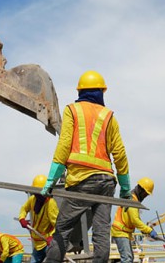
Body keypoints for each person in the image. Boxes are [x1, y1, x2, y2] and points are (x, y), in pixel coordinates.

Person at [40, 70, 132, 263]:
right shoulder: (109, 116)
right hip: (106, 182)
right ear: (101, 92)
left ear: (80, 92)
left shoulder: (72, 110)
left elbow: (64, 146)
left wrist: (51, 180)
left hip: (81, 181)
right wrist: (125, 187)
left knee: (63, 229)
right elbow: (120, 153)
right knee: (101, 232)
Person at [111, 177, 157, 263]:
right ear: (141, 190)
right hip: (120, 232)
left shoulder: (132, 198)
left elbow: (134, 218)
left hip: (124, 232)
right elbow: (135, 220)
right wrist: (149, 230)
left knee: (129, 259)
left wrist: (144, 231)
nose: (145, 196)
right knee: (127, 259)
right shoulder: (132, 200)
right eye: (145, 194)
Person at [18, 174, 59, 263]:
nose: (36, 194)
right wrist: (22, 218)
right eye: (35, 191)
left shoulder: (50, 204)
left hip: (48, 243)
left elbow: (57, 224)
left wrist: (52, 237)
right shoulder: (32, 199)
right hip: (37, 244)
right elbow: (24, 208)